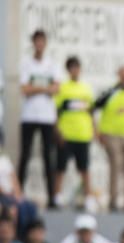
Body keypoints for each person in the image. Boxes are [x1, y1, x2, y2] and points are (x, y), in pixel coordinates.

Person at [18, 30, 59, 209]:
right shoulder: (26, 63)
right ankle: (19, 194)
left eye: (42, 41)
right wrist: (45, 88)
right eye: (37, 41)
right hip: (29, 116)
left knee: (47, 157)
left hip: (47, 117)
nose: (40, 44)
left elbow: (56, 88)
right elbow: (24, 89)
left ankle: (51, 198)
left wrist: (36, 87)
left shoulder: (52, 64)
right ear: (33, 43)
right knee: (25, 155)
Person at [94, 66, 124, 211]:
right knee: (116, 164)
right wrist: (98, 132)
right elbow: (93, 108)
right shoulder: (110, 92)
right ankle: (113, 201)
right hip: (111, 133)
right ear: (119, 76)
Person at [53, 56, 94, 207]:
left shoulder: (86, 88)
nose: (75, 70)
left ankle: (89, 197)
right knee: (60, 167)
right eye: (72, 67)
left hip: (83, 135)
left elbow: (90, 111)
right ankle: (57, 195)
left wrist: (93, 130)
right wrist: (58, 131)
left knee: (84, 168)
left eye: (77, 67)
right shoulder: (62, 88)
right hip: (66, 134)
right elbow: (56, 112)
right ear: (68, 70)